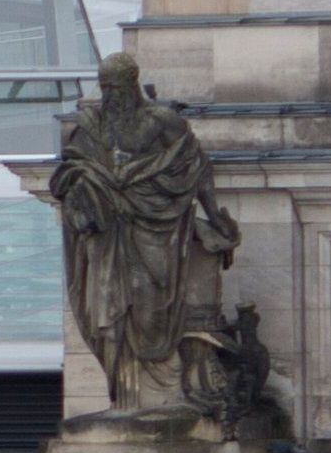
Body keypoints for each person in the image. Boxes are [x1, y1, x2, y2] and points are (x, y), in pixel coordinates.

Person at [49, 53, 244, 421]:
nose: (111, 95)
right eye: (105, 87)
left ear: (133, 83)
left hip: (158, 228)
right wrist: (85, 189)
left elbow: (196, 167)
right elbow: (71, 169)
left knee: (151, 305)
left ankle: (164, 394)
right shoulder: (91, 124)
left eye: (116, 87)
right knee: (106, 308)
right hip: (110, 234)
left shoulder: (161, 121)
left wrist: (214, 213)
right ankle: (124, 398)